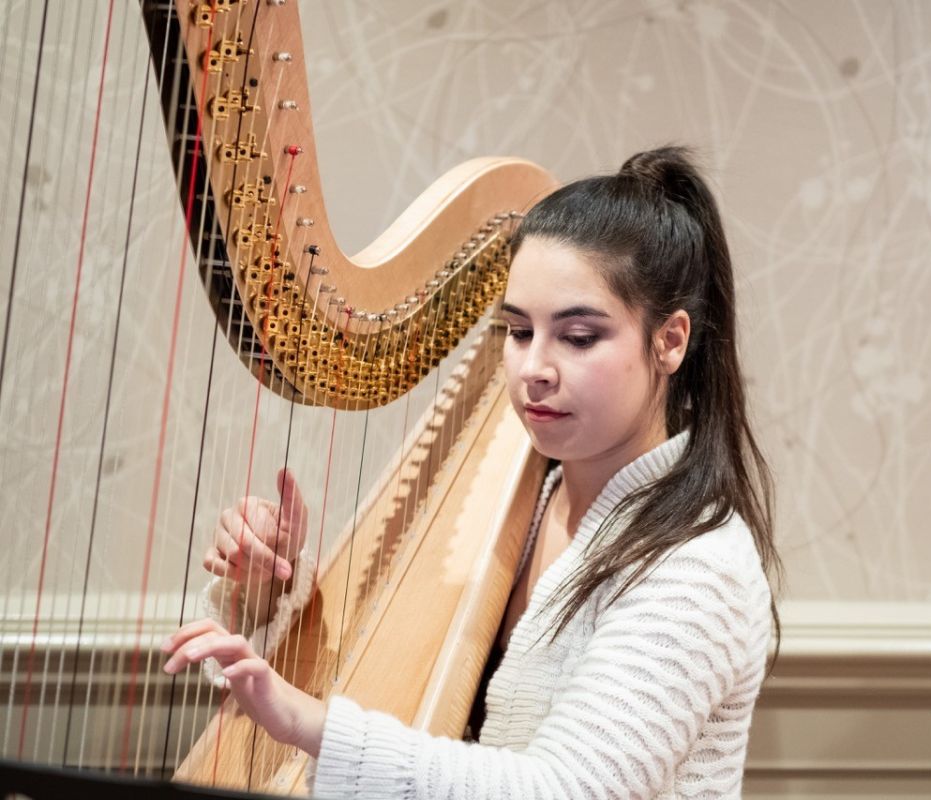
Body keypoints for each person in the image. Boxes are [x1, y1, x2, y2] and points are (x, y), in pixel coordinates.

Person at [163, 146, 782, 799]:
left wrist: (310, 724)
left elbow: (566, 791)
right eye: (518, 331)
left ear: (671, 340)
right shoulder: (538, 501)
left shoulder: (697, 567)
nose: (534, 368)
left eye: (577, 336)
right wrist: (269, 587)